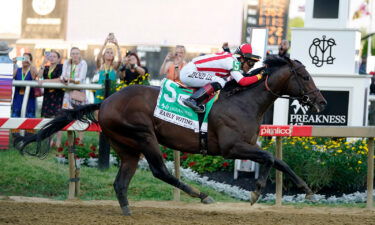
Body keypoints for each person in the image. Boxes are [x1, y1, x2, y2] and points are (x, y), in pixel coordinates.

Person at [180, 43, 261, 113]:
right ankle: (193, 100)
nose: (251, 67)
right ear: (242, 58)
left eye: (253, 64)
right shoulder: (233, 62)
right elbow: (242, 81)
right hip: (189, 72)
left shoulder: (232, 59)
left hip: (191, 71)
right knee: (220, 81)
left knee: (222, 82)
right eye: (250, 63)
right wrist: (260, 76)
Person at [60, 47, 87, 144]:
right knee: (68, 116)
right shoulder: (67, 63)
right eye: (73, 53)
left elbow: (80, 79)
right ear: (70, 55)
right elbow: (62, 76)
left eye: (77, 53)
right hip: (68, 93)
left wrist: (69, 80)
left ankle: (80, 142)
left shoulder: (83, 63)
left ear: (80, 55)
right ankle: (70, 142)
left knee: (80, 117)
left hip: (78, 93)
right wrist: (65, 79)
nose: (75, 55)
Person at [38, 50, 64, 148]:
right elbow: (39, 76)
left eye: (54, 56)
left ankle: (58, 141)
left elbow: (59, 79)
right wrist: (43, 63)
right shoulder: (47, 67)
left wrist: (45, 80)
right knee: (47, 119)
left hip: (57, 96)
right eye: (50, 56)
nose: (52, 58)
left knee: (57, 118)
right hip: (48, 96)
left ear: (58, 59)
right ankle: (49, 140)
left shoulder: (61, 67)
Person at [94, 33, 121, 103]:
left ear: (113, 56)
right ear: (104, 55)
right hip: (100, 93)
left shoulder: (114, 67)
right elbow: (98, 58)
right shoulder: (101, 66)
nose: (109, 54)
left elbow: (120, 60)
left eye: (111, 53)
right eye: (107, 52)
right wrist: (104, 44)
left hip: (111, 94)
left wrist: (117, 46)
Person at [11, 53, 38, 118]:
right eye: (23, 58)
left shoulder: (31, 69)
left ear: (30, 60)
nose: (24, 60)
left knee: (29, 117)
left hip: (30, 97)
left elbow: (35, 75)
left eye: (27, 58)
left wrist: (30, 63)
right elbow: (11, 76)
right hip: (18, 97)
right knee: (16, 116)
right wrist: (14, 63)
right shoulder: (18, 69)